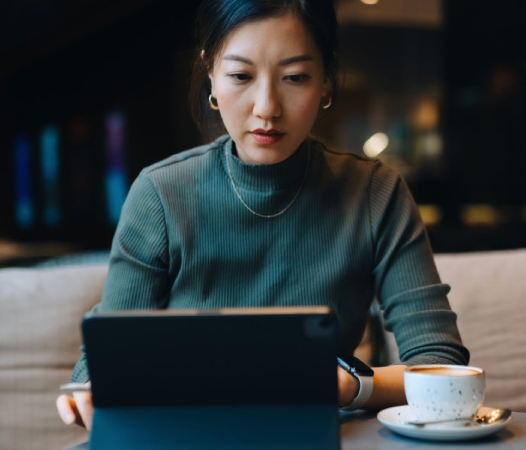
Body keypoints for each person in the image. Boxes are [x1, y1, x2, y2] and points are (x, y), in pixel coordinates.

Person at [56, 0, 469, 430]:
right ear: (211, 76)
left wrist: (347, 386)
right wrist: (89, 391)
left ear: (325, 81)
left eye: (295, 77)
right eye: (240, 76)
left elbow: (441, 369)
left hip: (311, 434)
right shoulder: (161, 194)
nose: (267, 107)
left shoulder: (374, 192)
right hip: (185, 434)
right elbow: (103, 362)